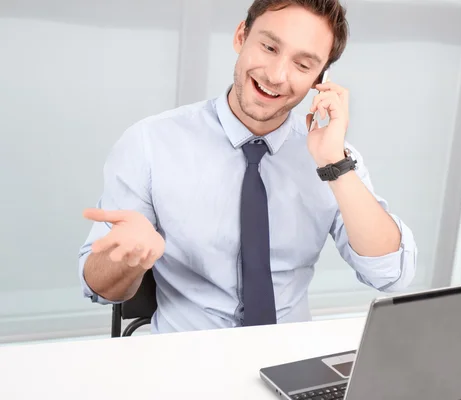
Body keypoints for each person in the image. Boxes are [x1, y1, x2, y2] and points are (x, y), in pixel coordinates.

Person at [78, 0, 417, 334]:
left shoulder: (332, 156)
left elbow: (391, 275)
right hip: (184, 361)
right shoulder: (150, 142)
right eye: (269, 47)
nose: (276, 75)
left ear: (321, 78)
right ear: (242, 36)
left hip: (289, 365)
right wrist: (127, 258)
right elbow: (99, 286)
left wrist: (336, 166)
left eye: (303, 65)